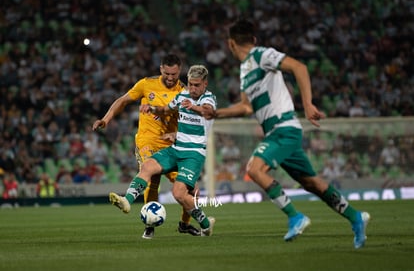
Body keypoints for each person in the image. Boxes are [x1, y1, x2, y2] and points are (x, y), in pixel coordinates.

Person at [206, 19, 370, 249]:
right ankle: (356, 217)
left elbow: (298, 67)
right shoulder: (245, 70)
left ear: (230, 43)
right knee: (311, 183)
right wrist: (216, 113)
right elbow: (245, 107)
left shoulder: (261, 55)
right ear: (252, 38)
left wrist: (308, 104)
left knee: (254, 169)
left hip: (283, 128)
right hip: (278, 132)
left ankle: (295, 216)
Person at [92, 54, 200, 239]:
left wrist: (177, 135)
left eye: (174, 74)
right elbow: (123, 100)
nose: (170, 77)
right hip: (147, 141)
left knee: (192, 188)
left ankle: (184, 224)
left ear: (179, 70)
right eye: (167, 73)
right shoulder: (146, 84)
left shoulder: (185, 92)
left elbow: (192, 122)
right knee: (152, 177)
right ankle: (149, 225)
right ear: (161, 69)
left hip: (172, 145)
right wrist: (105, 119)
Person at [109, 65, 217, 237]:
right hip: (176, 148)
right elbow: (166, 109)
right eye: (190, 84)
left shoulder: (209, 98)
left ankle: (205, 223)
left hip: (193, 154)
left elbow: (208, 112)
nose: (193, 88)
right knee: (147, 167)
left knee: (179, 194)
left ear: (205, 84)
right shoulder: (183, 94)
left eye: (197, 85)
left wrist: (192, 106)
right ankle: (126, 201)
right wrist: (151, 108)